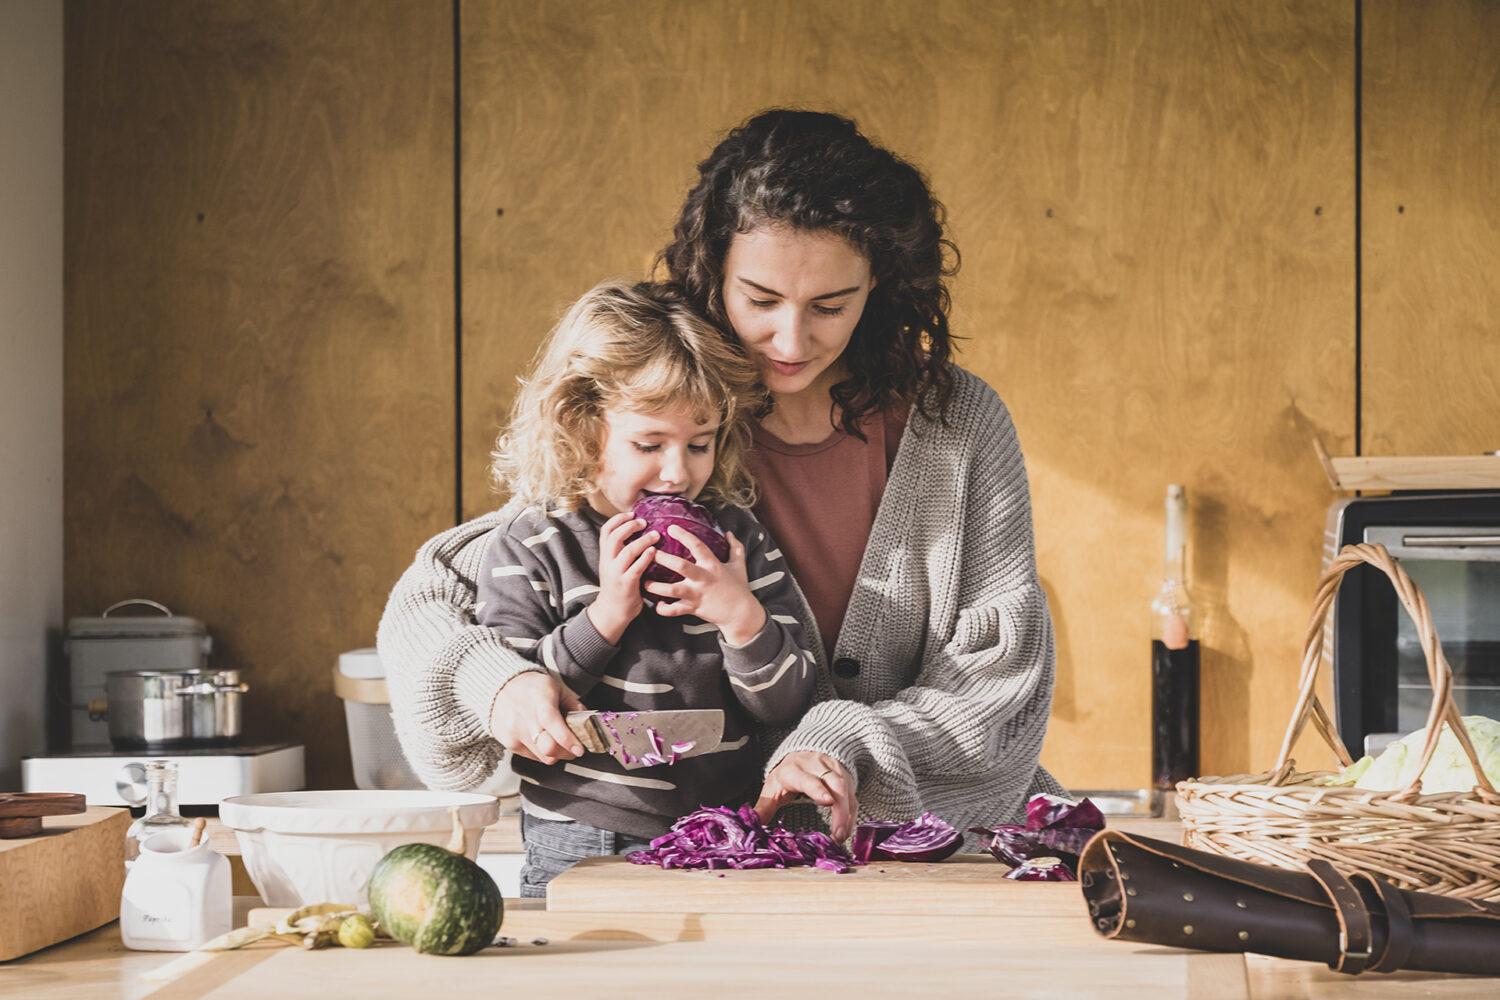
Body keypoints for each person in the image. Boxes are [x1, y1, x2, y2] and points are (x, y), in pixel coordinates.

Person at [378, 108, 1063, 858]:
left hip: (920, 846)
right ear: (714, 271)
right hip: (715, 857)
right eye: (761, 300)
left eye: (831, 305)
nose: (792, 340)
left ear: (883, 287)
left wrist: (843, 745)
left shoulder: (958, 426)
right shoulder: (675, 415)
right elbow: (441, 588)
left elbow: (998, 684)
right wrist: (495, 680)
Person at [471, 280, 814, 895]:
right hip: (580, 828)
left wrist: (741, 617)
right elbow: (519, 697)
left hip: (721, 827)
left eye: (699, 444)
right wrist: (605, 617)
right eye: (648, 445)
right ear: (581, 427)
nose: (678, 472)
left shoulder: (735, 539)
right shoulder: (534, 546)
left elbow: (788, 703)